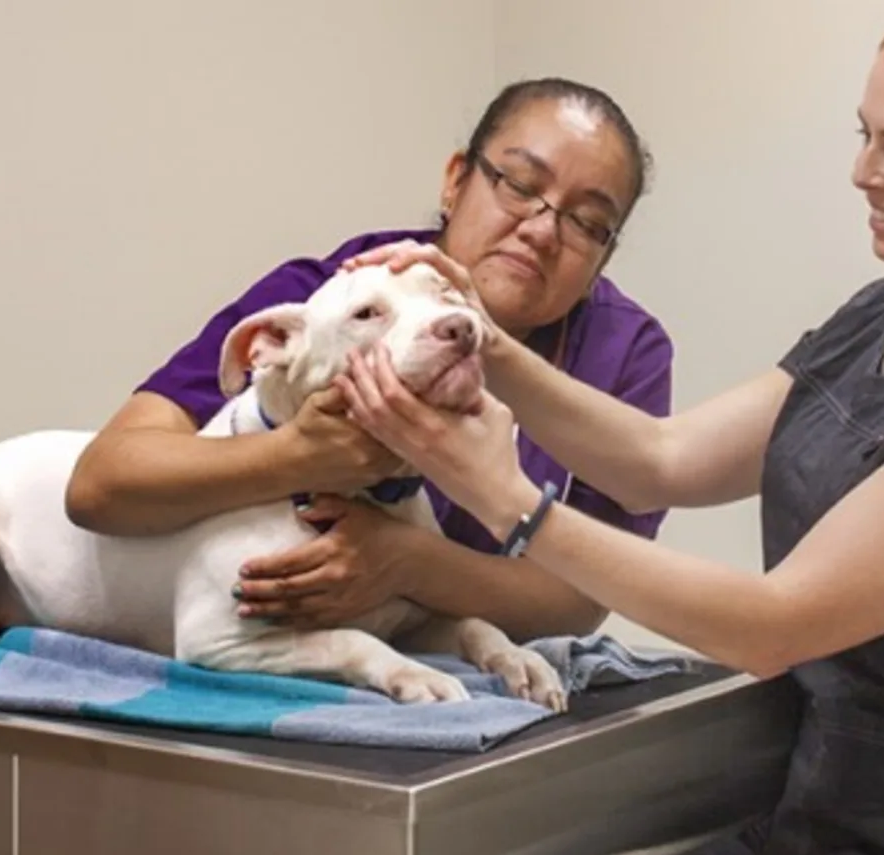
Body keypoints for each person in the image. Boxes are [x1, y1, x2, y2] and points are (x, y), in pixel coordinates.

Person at [337, 2, 884, 855]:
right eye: (865, 137)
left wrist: (508, 501)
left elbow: (777, 622)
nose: (863, 173)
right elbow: (663, 458)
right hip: (816, 822)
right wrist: (480, 339)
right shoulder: (879, 317)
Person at [64, 78, 675, 643]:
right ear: (456, 180)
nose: (542, 231)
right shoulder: (328, 300)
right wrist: (296, 456)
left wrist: (406, 562)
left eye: (588, 223)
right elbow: (102, 485)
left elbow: (581, 600)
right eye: (518, 186)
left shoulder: (623, 354)